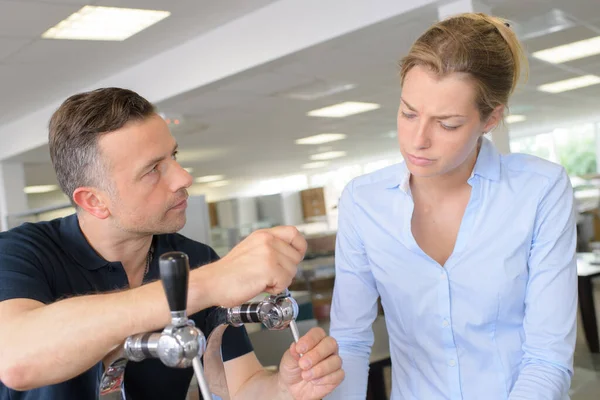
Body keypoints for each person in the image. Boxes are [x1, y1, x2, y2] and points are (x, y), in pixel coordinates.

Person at [0, 88, 344, 400]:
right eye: (153, 169)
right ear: (93, 201)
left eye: (173, 156)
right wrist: (210, 282)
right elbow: (16, 359)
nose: (183, 177)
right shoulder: (21, 253)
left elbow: (239, 386)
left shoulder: (194, 257)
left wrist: (284, 388)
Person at [327, 12, 577, 400]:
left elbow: (547, 357)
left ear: (490, 119)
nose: (417, 140)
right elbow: (351, 341)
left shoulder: (540, 190)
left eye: (447, 124)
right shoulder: (363, 201)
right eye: (408, 113)